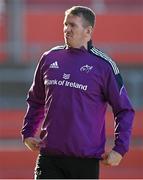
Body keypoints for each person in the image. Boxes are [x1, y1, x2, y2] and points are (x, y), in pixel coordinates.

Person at [21, 6, 135, 179]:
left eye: (73, 25)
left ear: (88, 31)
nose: (67, 29)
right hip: (49, 158)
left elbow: (124, 110)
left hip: (84, 162)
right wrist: (28, 132)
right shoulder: (49, 58)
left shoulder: (104, 66)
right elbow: (36, 100)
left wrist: (120, 149)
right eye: (65, 24)